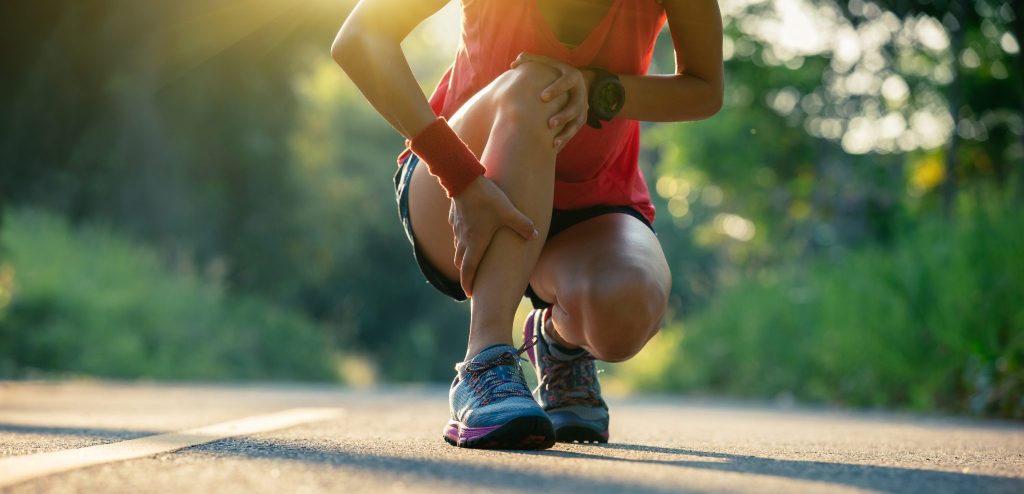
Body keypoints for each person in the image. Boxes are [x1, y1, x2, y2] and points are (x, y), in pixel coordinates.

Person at [332, 0, 722, 449]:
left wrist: (597, 89)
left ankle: (558, 343)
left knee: (626, 307)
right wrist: (459, 176)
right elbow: (360, 37)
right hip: (461, 183)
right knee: (540, 83)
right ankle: (485, 362)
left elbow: (704, 89)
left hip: (593, 201)